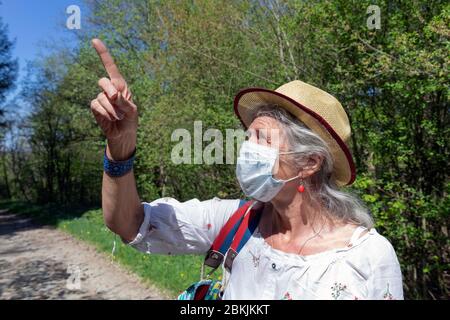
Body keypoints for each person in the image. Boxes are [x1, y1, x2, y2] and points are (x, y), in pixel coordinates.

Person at [90, 38, 403, 300]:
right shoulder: (236, 221)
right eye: (247, 138)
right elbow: (129, 223)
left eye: (261, 138)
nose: (246, 150)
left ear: (310, 162)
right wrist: (120, 148)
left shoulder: (368, 256)